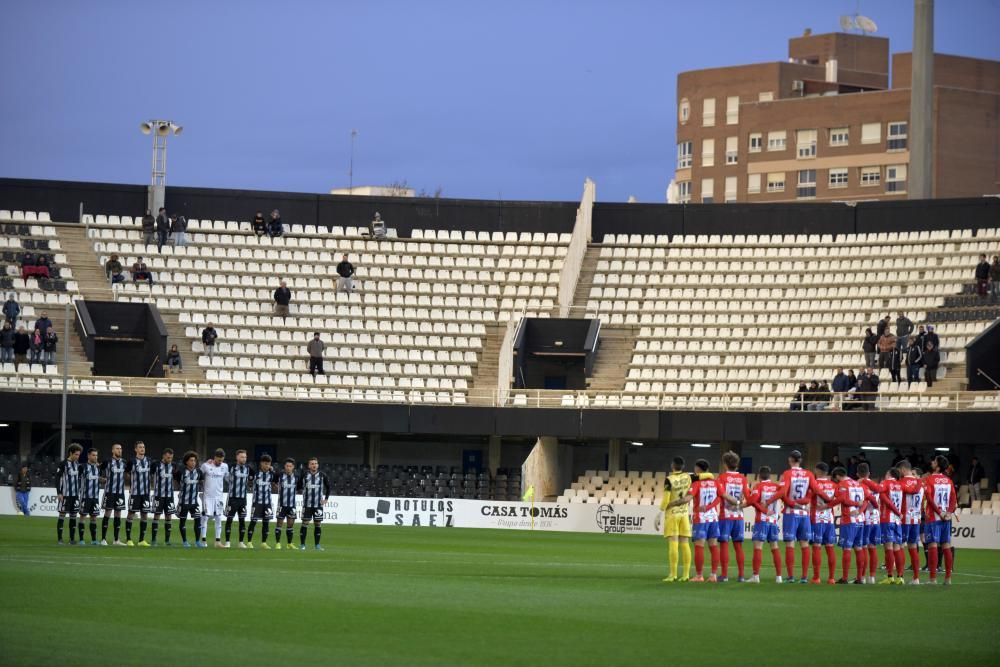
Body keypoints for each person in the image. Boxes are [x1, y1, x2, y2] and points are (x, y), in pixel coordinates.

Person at [830, 466, 876, 584]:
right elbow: (867, 500)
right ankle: (860, 578)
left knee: (847, 548)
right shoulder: (859, 484)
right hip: (860, 520)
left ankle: (845, 578)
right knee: (859, 548)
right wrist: (860, 511)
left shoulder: (843, 485)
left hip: (848, 520)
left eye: (836, 479)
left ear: (838, 476)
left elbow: (842, 500)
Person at [777, 450, 814, 584]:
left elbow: (782, 493)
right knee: (804, 544)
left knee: (790, 544)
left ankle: (791, 576)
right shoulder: (809, 474)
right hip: (804, 513)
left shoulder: (787, 474)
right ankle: (804, 577)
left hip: (790, 512)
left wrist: (792, 503)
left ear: (790, 459)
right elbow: (812, 492)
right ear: (801, 460)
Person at [716, 451, 750, 582]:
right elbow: (749, 499)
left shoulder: (722, 478)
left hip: (725, 516)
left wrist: (734, 503)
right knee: (738, 546)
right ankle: (741, 576)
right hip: (739, 517)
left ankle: (724, 575)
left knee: (724, 544)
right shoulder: (743, 478)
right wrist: (740, 505)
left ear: (725, 464)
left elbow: (722, 494)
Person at [746, 466, 783, 583]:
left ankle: (756, 576)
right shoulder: (777, 487)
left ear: (759, 475)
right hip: (773, 521)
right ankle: (779, 577)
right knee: (775, 547)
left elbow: (752, 501)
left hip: (762, 520)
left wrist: (764, 510)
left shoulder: (759, 486)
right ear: (770, 475)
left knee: (758, 547)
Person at [689, 459, 724, 583]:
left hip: (701, 519)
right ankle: (713, 575)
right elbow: (720, 497)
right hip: (713, 518)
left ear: (698, 469)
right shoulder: (716, 482)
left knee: (699, 546)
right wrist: (710, 507)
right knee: (714, 546)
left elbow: (689, 496)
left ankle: (699, 576)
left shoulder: (696, 484)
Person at [659, 456, 693, 583]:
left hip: (672, 514)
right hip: (684, 513)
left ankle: (672, 574)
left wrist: (660, 511)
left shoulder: (669, 480)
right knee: (685, 543)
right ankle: (686, 574)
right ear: (683, 466)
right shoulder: (688, 477)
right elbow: (708, 475)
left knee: (673, 543)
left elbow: (666, 499)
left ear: (672, 465)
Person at [925, 455, 957, 585]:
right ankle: (948, 579)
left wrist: (939, 512)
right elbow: (953, 499)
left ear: (937, 466)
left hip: (934, 517)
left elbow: (929, 498)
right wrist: (948, 512)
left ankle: (932, 579)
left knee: (932, 545)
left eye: (934, 461)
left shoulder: (930, 479)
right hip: (946, 518)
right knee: (946, 545)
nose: (932, 462)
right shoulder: (949, 481)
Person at [858, 462, 889, 584]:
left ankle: (862, 577)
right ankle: (872, 577)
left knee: (864, 547)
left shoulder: (859, 485)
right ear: (869, 473)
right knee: (873, 548)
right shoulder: (875, 485)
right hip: (876, 520)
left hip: (865, 520)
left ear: (857, 473)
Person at [808, 462, 838, 585]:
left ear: (817, 470)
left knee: (817, 548)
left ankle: (816, 577)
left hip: (817, 518)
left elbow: (808, 498)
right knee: (830, 548)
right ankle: (831, 578)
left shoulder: (814, 484)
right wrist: (828, 505)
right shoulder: (833, 485)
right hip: (829, 520)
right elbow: (838, 500)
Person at [898, 459, 925, 584]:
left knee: (900, 546)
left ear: (903, 469)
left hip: (904, 519)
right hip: (916, 519)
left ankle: (900, 577)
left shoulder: (901, 482)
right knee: (913, 547)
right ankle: (916, 578)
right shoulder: (920, 484)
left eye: (900, 471)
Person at [879, 468, 905, 585]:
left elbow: (887, 502)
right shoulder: (900, 485)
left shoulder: (886, 483)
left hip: (887, 518)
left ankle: (890, 577)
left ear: (889, 474)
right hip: (897, 521)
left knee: (888, 547)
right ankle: (900, 577)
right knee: (897, 547)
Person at [299, 457, 330, 551]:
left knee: (317, 523)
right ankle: (302, 545)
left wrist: (326, 499)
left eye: (315, 463)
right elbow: (298, 486)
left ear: (318, 465)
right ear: (309, 465)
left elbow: (328, 487)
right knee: (305, 523)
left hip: (318, 505)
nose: (314, 465)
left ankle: (317, 545)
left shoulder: (322, 475)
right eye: (312, 463)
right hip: (307, 504)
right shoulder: (304, 474)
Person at [200, 448, 229, 548]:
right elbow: (198, 474)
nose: (220, 462)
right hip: (208, 497)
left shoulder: (225, 467)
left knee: (218, 518)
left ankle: (217, 541)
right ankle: (203, 540)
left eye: (221, 460)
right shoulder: (206, 465)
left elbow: (227, 478)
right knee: (205, 518)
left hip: (219, 497)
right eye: (218, 460)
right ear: (214, 457)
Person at [125, 441, 152, 547]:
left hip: (145, 493)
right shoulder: (131, 461)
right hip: (135, 493)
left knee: (144, 514)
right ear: (135, 449)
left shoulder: (149, 461)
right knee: (131, 513)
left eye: (143, 447)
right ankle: (128, 539)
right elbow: (126, 473)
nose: (142, 449)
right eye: (140, 447)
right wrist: (131, 484)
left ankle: (141, 540)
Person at [55, 443, 83, 544]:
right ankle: (60, 539)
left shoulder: (78, 465)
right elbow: (57, 478)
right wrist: (59, 492)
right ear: (71, 453)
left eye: (79, 455)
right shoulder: (63, 464)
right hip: (65, 494)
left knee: (73, 516)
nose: (77, 456)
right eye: (76, 454)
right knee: (62, 515)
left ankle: (72, 539)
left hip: (75, 495)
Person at [100, 443, 127, 546]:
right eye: (117, 449)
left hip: (120, 493)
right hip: (109, 492)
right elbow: (97, 470)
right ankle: (103, 539)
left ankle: (116, 540)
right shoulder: (107, 462)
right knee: (107, 514)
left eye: (120, 449)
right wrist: (101, 479)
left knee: (118, 515)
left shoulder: (124, 462)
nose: (119, 450)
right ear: (113, 450)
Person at [246, 454, 275, 549]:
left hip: (267, 503)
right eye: (265, 463)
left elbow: (279, 477)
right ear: (261, 463)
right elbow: (248, 477)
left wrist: (273, 470)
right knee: (253, 521)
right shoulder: (255, 473)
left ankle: (264, 542)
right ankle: (249, 542)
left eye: (268, 464)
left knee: (266, 522)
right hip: (257, 502)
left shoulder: (271, 474)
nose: (267, 465)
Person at [225, 449, 252, 549]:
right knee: (229, 520)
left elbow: (255, 476)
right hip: (232, 498)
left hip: (243, 499)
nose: (244, 459)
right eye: (242, 457)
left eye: (245, 457)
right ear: (237, 457)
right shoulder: (231, 467)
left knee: (242, 520)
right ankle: (227, 541)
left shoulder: (248, 468)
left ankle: (241, 542)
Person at [176, 451, 205, 548]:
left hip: (194, 502)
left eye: (194, 460)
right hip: (183, 502)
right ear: (186, 462)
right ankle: (185, 541)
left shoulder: (199, 472)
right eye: (191, 460)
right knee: (182, 521)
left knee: (198, 520)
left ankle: (197, 541)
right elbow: (175, 480)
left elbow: (202, 482)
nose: (193, 462)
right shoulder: (181, 471)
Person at [150, 448, 176, 547]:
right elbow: (149, 474)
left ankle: (167, 540)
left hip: (169, 496)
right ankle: (153, 540)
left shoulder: (174, 466)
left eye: (171, 458)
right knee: (156, 515)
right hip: (158, 495)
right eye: (168, 457)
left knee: (168, 516)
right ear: (164, 455)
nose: (170, 459)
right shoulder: (156, 465)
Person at [78, 448, 102, 545]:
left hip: (95, 497)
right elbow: (77, 479)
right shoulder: (82, 466)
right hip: (85, 496)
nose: (95, 457)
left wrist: (102, 479)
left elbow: (97, 478)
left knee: (94, 518)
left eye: (96, 455)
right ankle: (81, 539)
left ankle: (94, 540)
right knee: (83, 517)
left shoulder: (98, 468)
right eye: (93, 455)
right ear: (88, 456)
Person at [274, 458, 298, 550]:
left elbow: (299, 486)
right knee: (279, 524)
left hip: (292, 505)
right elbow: (273, 482)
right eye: (287, 466)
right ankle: (278, 543)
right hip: (281, 504)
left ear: (293, 467)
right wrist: (277, 488)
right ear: (284, 467)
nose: (288, 468)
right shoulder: (279, 475)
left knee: (290, 524)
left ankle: (289, 544)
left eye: (290, 466)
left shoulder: (296, 477)